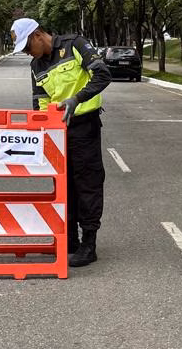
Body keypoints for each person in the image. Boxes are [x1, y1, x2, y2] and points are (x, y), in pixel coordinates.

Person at [10, 16, 111, 268]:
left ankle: (89, 243)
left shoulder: (74, 44)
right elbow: (39, 102)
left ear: (37, 35)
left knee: (87, 184)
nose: (26, 53)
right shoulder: (36, 66)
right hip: (57, 131)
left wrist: (76, 99)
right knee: (65, 187)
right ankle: (71, 240)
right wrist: (41, 134)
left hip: (84, 126)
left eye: (26, 47)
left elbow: (102, 75)